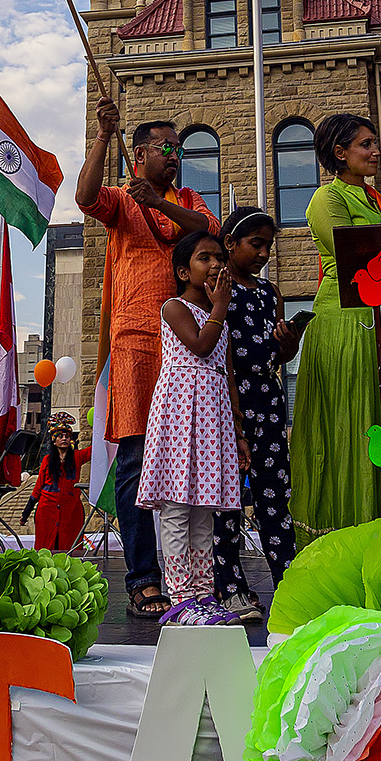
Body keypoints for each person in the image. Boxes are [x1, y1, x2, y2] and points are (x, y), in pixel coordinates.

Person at [75, 100, 216, 621]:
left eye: (179, 149)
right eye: (166, 147)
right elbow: (85, 196)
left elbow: (205, 230)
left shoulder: (186, 198)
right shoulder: (120, 200)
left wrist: (158, 202)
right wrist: (101, 137)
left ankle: (197, 576)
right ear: (140, 153)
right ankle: (142, 578)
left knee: (197, 453)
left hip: (189, 341)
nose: (175, 155)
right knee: (134, 458)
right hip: (136, 338)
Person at [290, 113, 381, 544]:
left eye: (375, 143)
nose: (375, 152)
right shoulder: (325, 199)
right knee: (349, 427)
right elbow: (357, 256)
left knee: (379, 422)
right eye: (365, 145)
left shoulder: (376, 200)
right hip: (344, 317)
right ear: (340, 154)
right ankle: (344, 539)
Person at [137, 232, 248, 622]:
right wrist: (219, 307)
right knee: (177, 507)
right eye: (205, 258)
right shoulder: (174, 307)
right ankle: (181, 598)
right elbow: (200, 346)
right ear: (184, 271)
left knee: (204, 511)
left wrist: (237, 432)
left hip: (213, 414)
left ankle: (203, 592)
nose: (216, 264)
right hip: (181, 412)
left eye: (220, 257)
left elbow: (228, 374)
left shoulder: (222, 320)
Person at [210, 206, 303, 617]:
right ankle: (230, 586)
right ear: (230, 243)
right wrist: (232, 412)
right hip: (230, 399)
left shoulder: (269, 292)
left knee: (274, 494)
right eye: (256, 244)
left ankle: (290, 581)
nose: (264, 253)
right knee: (229, 497)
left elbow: (280, 355)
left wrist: (289, 343)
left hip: (268, 397)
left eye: (269, 245)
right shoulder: (217, 286)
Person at [21, 413, 92, 551]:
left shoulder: (77, 457)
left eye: (67, 436)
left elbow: (93, 451)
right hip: (47, 510)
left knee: (70, 545)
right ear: (54, 441)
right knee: (47, 546)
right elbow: (39, 486)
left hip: (71, 511)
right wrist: (27, 511)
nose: (64, 438)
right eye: (60, 436)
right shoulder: (47, 460)